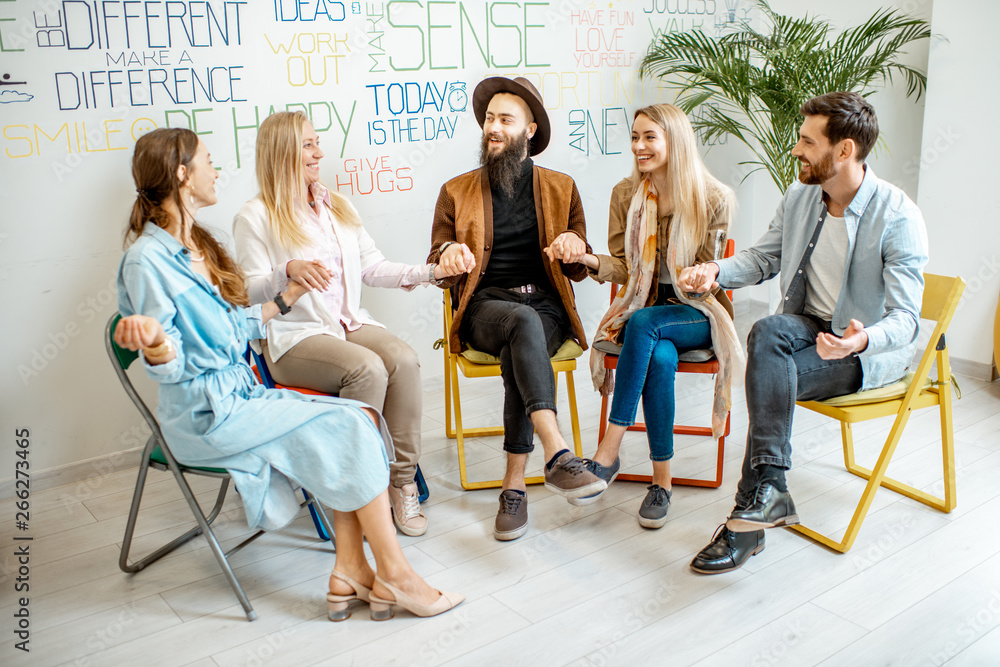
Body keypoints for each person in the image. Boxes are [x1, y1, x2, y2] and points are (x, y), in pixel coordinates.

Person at [116, 127, 463, 619]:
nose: (217, 170)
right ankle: (396, 575)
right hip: (205, 417)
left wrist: (286, 298)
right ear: (181, 174)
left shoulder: (196, 247)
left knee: (356, 419)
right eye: (209, 161)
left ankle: (352, 571)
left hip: (240, 396)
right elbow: (171, 369)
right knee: (351, 421)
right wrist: (154, 346)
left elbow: (233, 324)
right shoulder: (147, 261)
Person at [677, 92, 928, 573]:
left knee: (773, 370)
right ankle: (771, 486)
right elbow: (763, 258)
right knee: (769, 333)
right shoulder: (800, 197)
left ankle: (745, 524)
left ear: (844, 151)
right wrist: (715, 269)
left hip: (863, 350)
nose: (795, 149)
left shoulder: (897, 216)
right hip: (808, 326)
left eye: (807, 141)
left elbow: (907, 321)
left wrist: (859, 340)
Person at [233, 111, 468, 537]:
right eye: (307, 144)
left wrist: (433, 273)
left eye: (317, 142)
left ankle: (400, 483)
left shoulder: (335, 205)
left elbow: (373, 267)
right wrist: (286, 270)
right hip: (294, 338)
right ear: (281, 151)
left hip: (346, 324)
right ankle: (362, 491)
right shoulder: (255, 216)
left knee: (404, 359)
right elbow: (247, 292)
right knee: (367, 368)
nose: (319, 152)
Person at [427, 76, 603, 541]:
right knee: (517, 326)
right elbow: (437, 262)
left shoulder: (562, 188)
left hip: (545, 307)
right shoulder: (456, 190)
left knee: (518, 346)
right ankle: (557, 451)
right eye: (489, 119)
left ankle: (512, 488)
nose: (493, 128)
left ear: (530, 130)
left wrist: (574, 245)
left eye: (506, 119)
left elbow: (582, 261)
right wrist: (447, 257)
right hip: (485, 307)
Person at [567, 104, 745, 528]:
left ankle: (608, 451)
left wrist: (694, 275)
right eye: (635, 137)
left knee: (645, 325)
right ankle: (661, 482)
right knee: (659, 355)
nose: (639, 146)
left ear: (675, 141)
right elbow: (625, 269)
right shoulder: (626, 195)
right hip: (644, 304)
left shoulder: (713, 198)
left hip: (696, 311)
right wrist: (589, 260)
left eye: (650, 137)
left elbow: (709, 279)